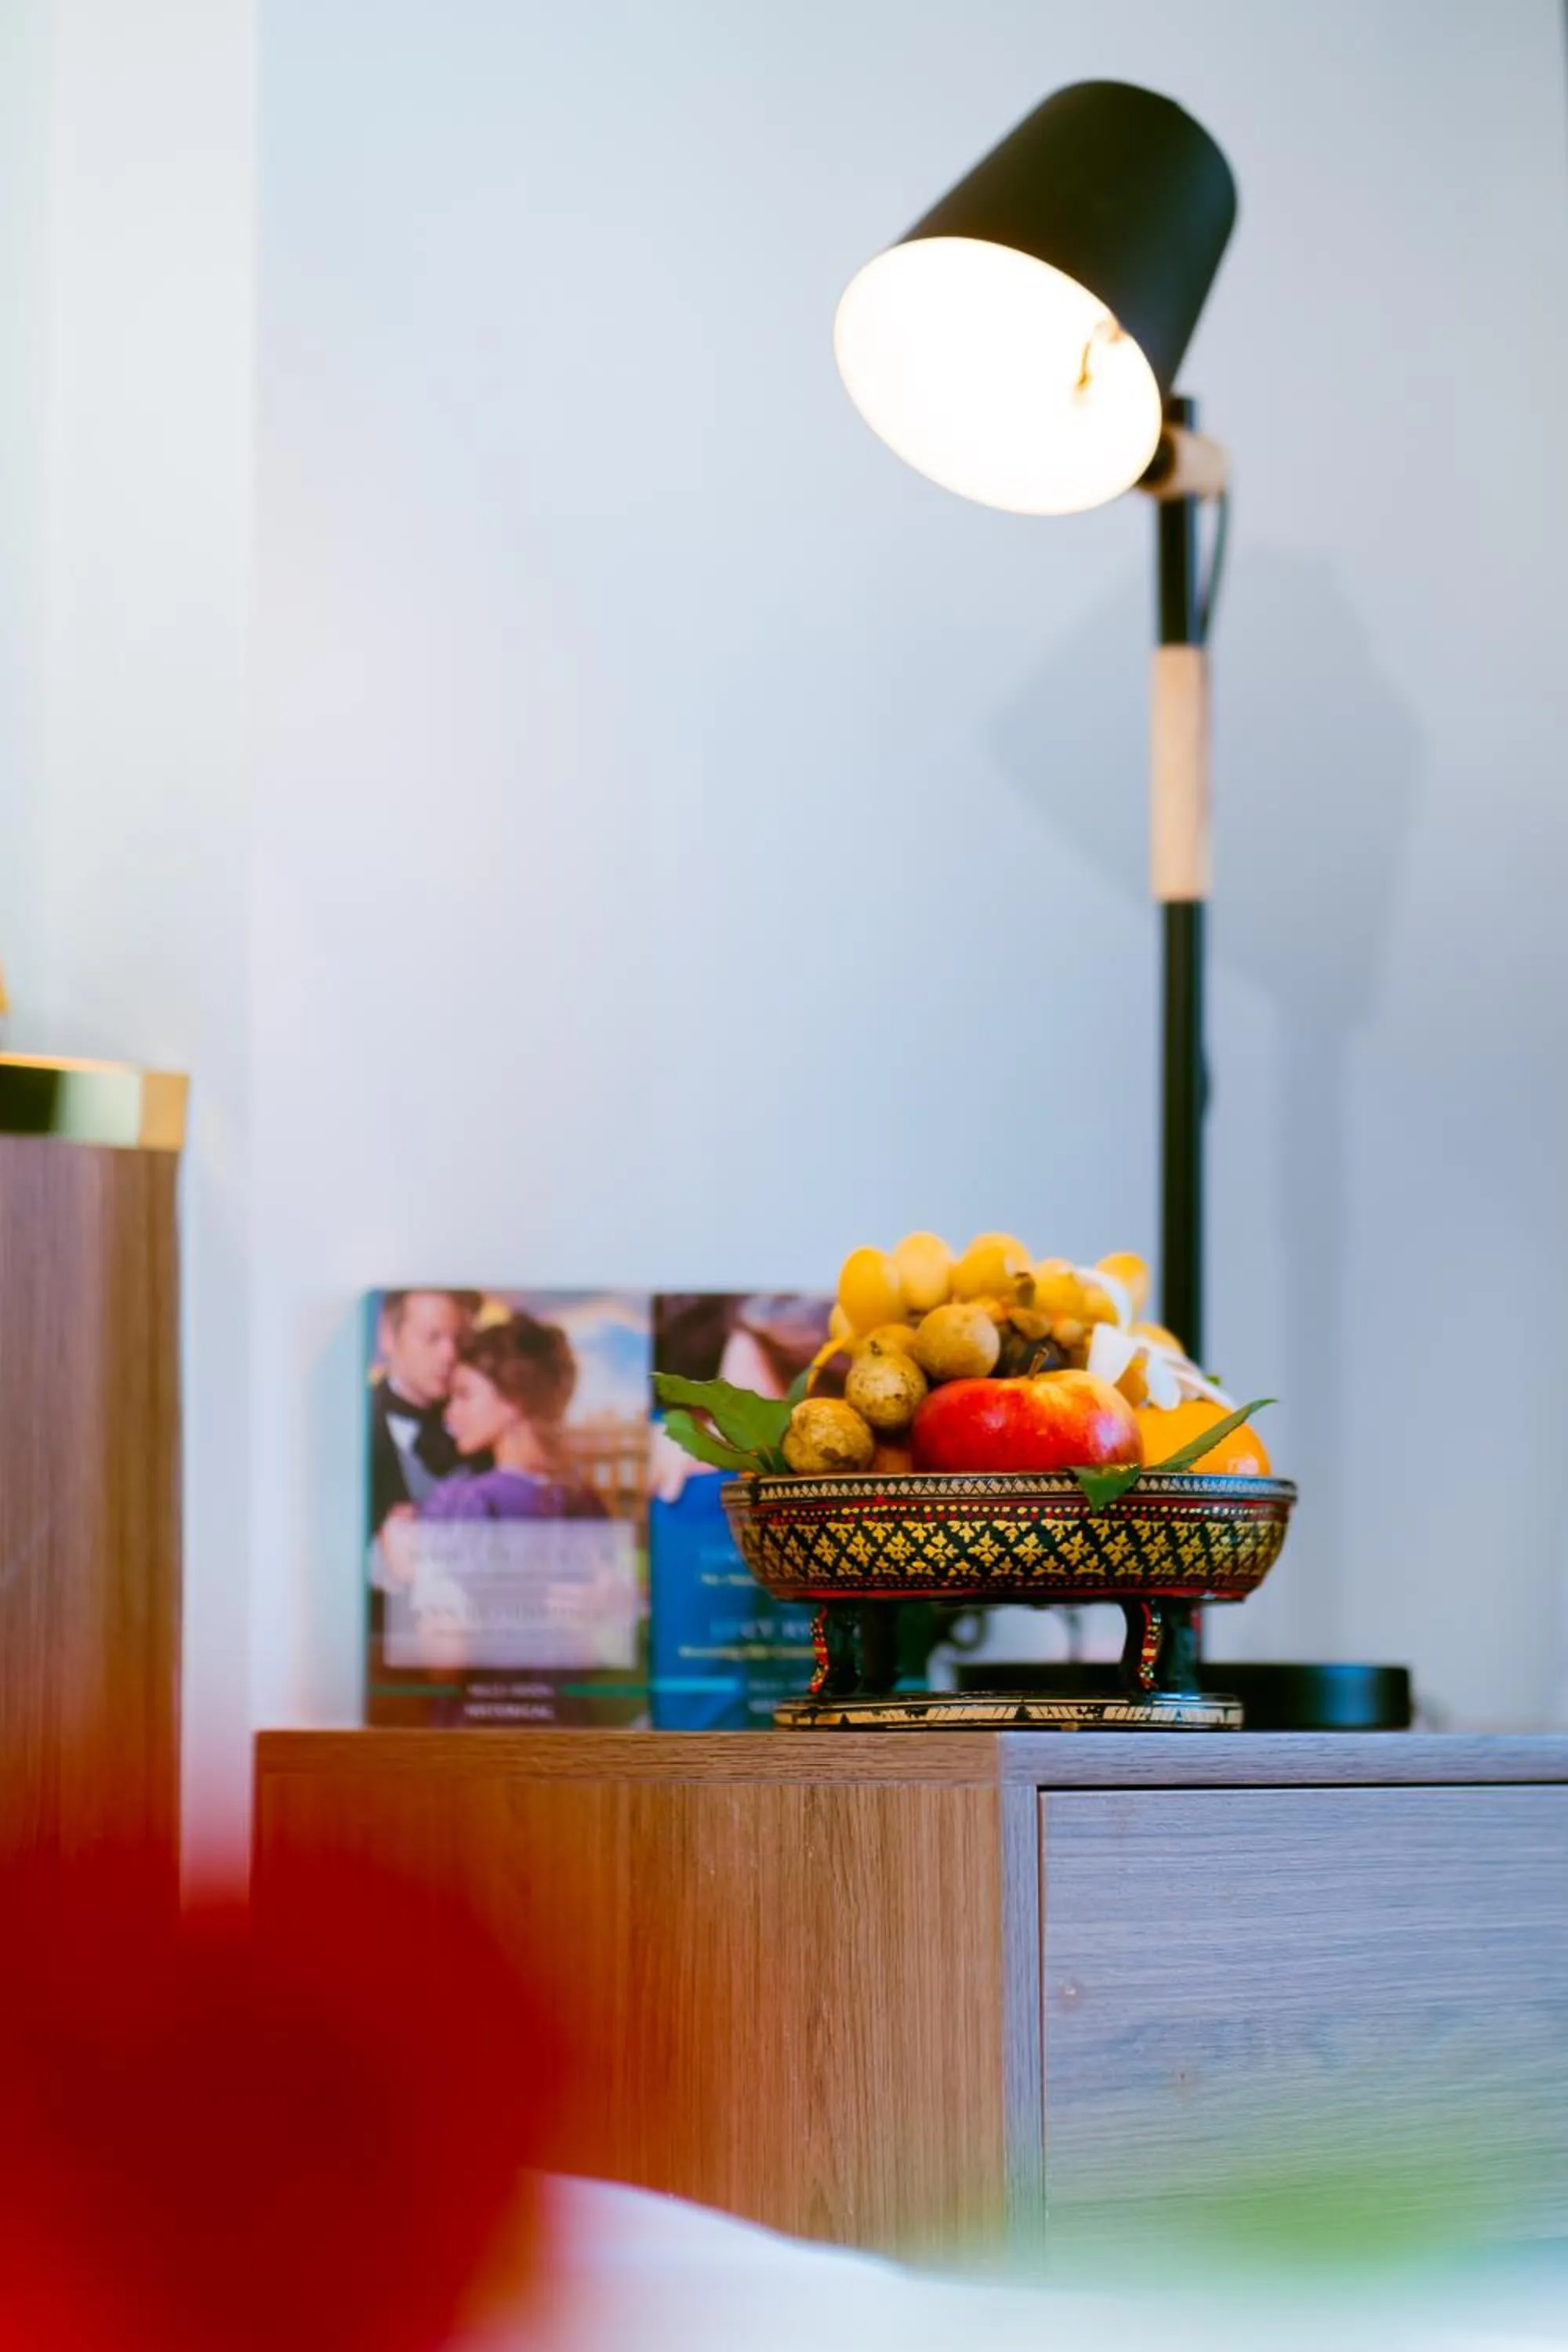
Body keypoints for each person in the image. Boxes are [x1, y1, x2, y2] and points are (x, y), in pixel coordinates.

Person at [368, 1290, 480, 1534]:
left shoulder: (482, 1430)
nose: (450, 1354)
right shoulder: (354, 1428)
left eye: (460, 1340)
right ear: (388, 1336)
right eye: (432, 1337)